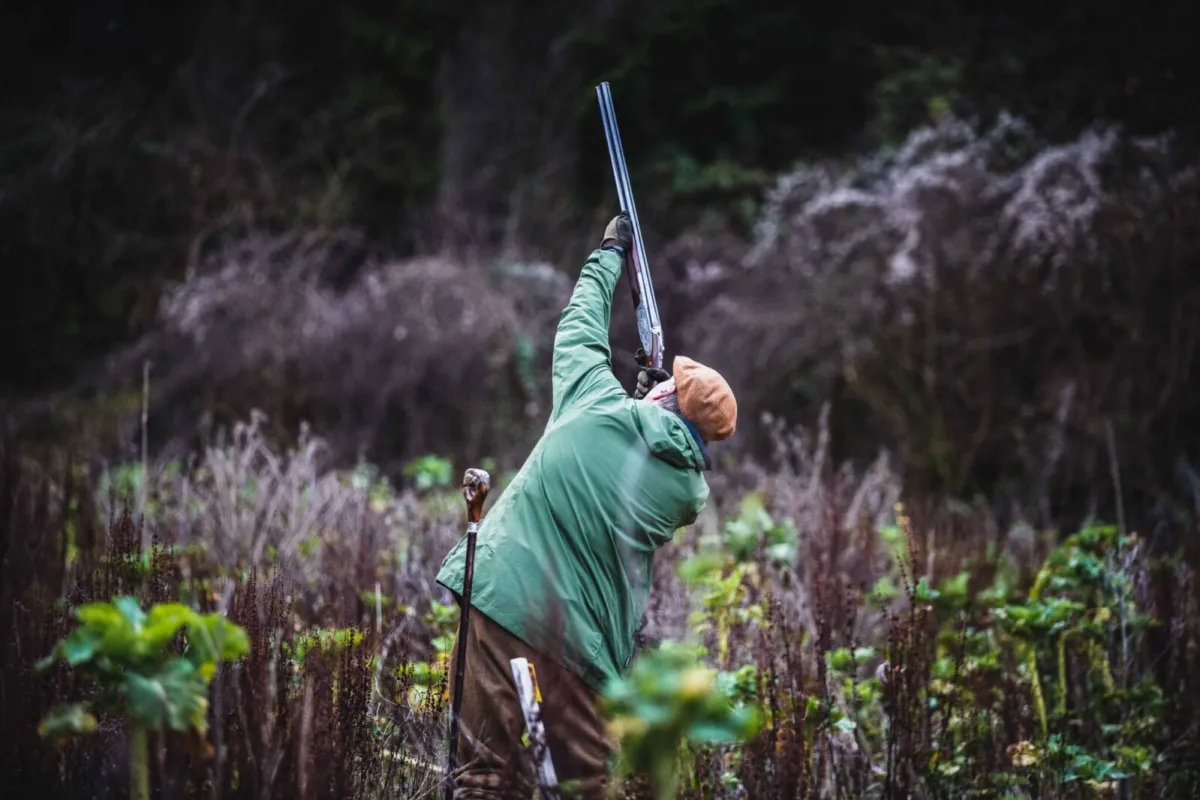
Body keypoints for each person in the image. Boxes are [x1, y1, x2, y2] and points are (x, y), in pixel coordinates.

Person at [435, 211, 737, 798]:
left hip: (497, 600)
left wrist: (609, 254)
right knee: (585, 786)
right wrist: (649, 404)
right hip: (580, 648)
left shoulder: (592, 402)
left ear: (667, 395)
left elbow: (577, 330)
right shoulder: (686, 493)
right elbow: (642, 451)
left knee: (480, 774)